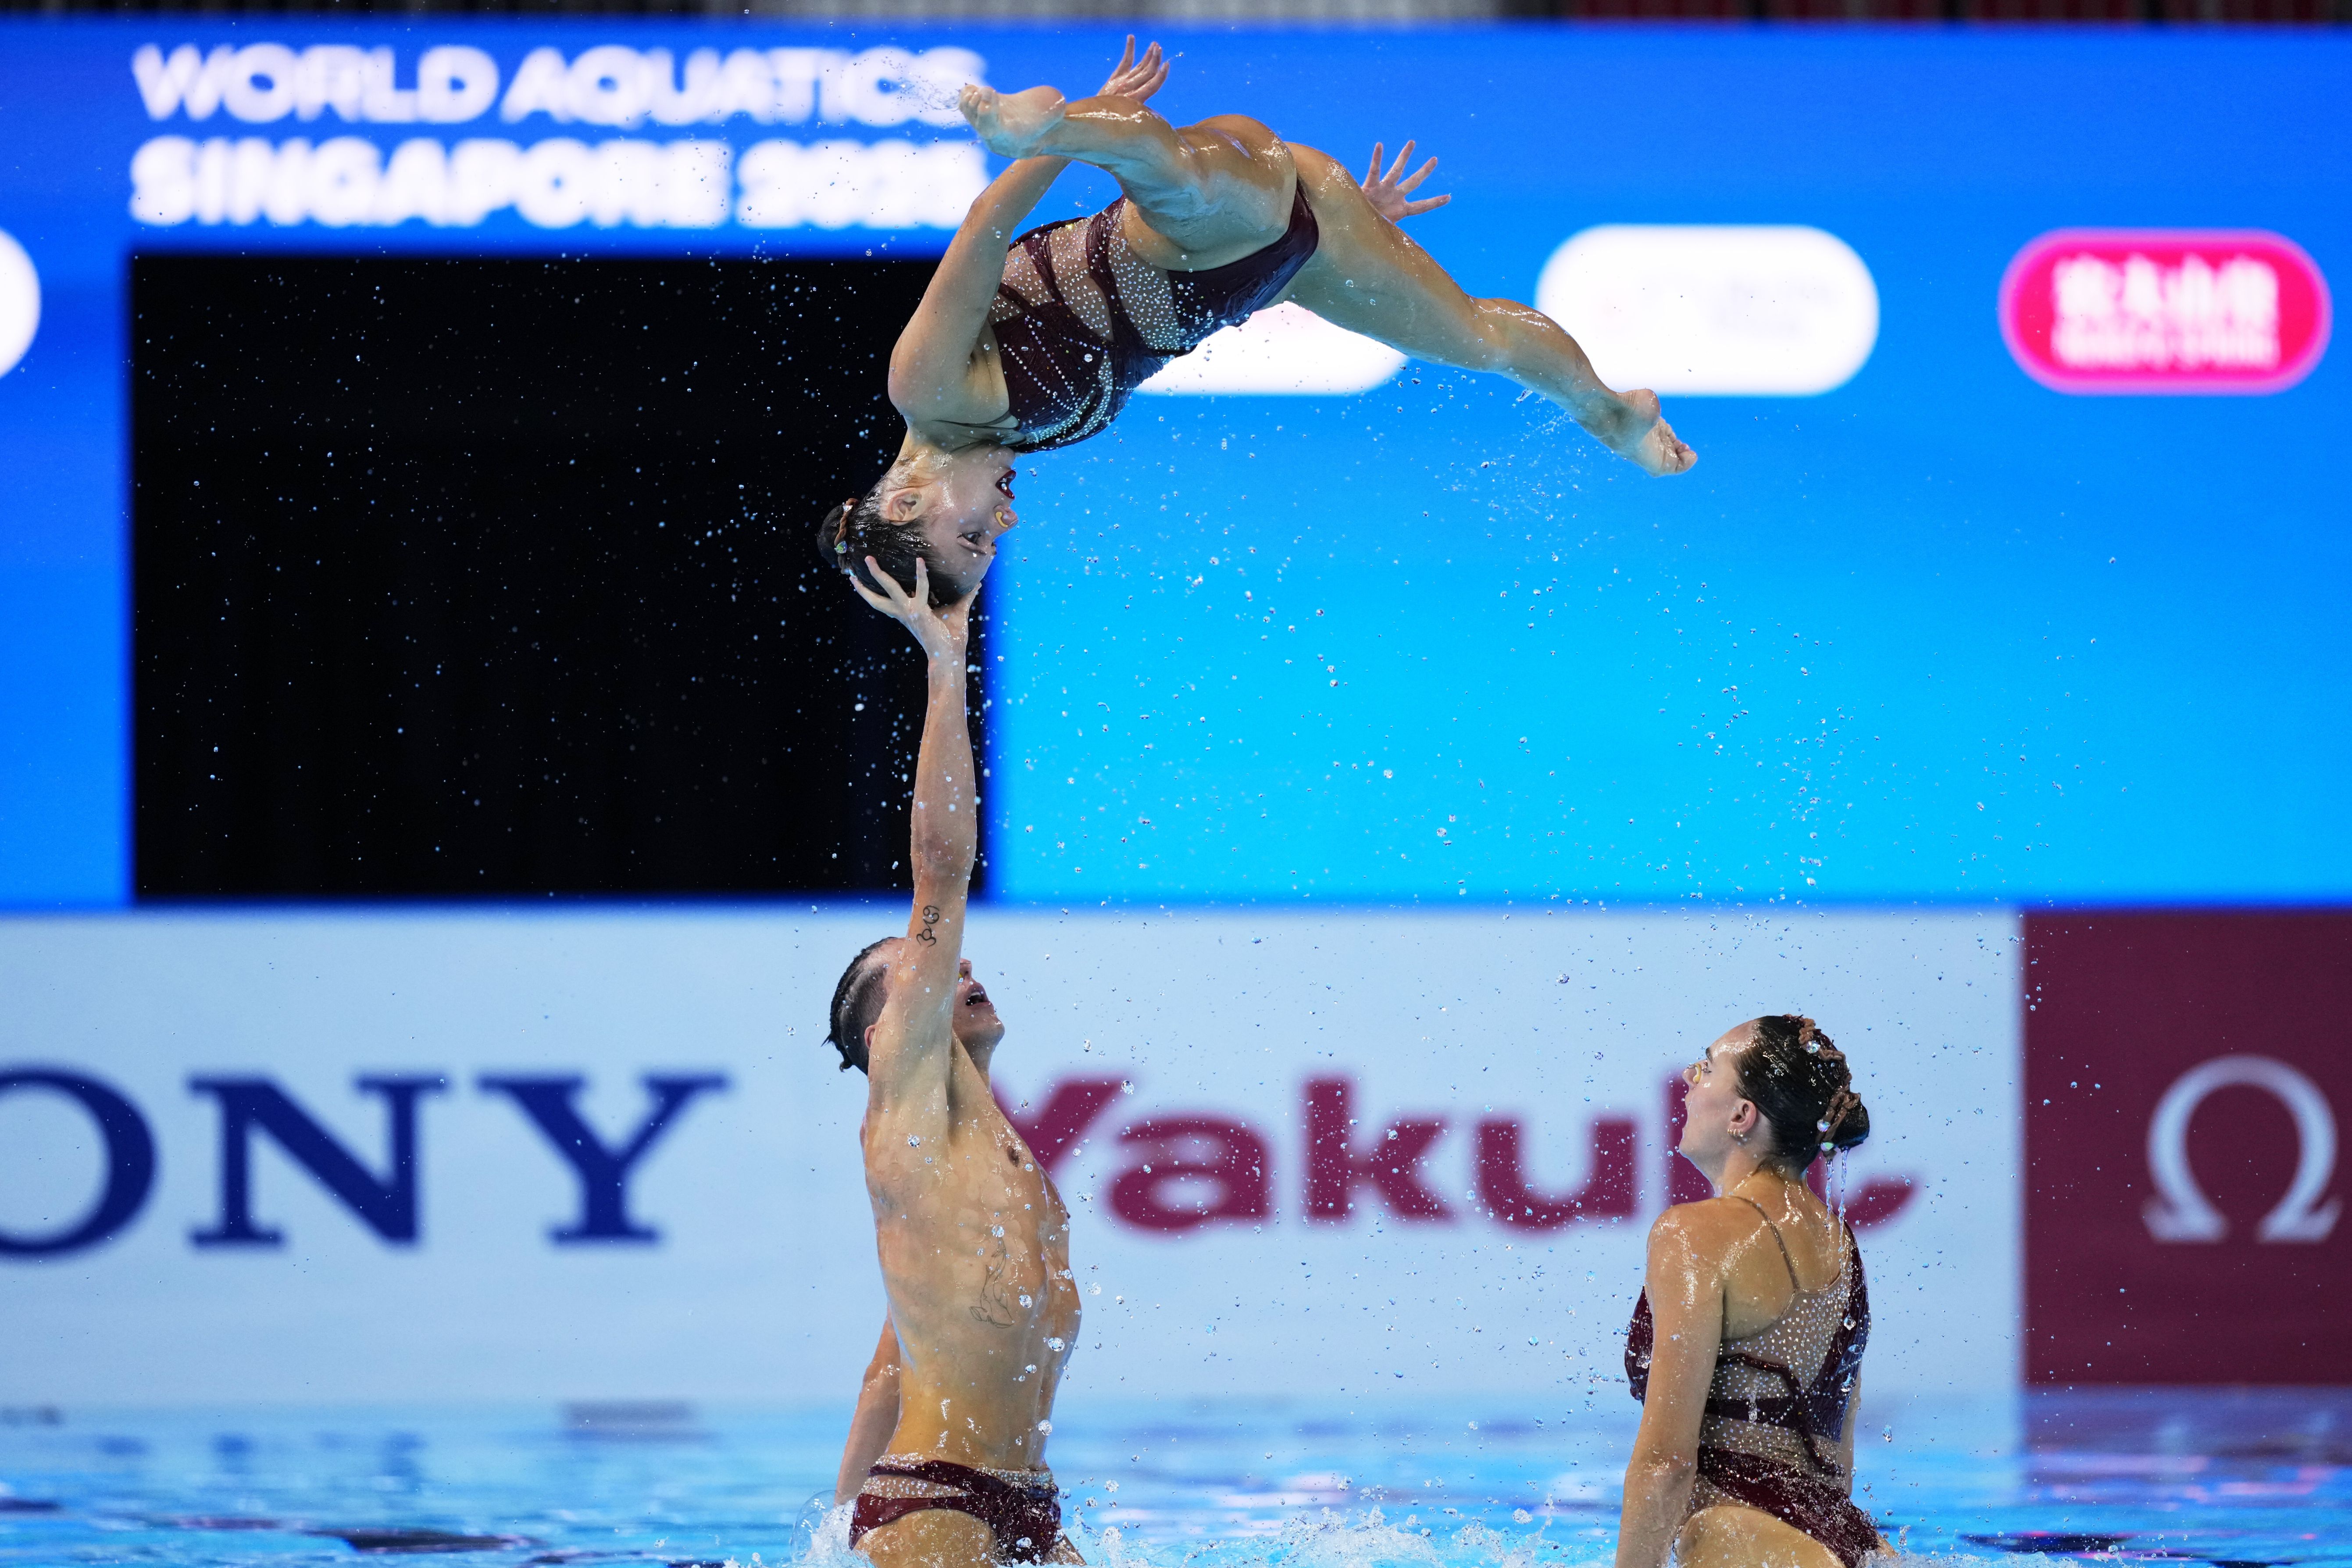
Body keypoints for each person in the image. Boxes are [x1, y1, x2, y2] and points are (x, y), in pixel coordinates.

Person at [815, 39, 1693, 609]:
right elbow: (1168, 327)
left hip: (1186, 218)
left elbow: (984, 230)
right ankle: (1610, 411)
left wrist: (1050, 142)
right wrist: (1340, 251)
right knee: (1479, 342)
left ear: (907, 500)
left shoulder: (925, 385)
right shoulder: (1032, 434)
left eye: (971, 536)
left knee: (1185, 190)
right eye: (990, 548)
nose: (1000, 529)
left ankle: (1056, 123)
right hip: (1288, 258)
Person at [822, 545, 1081, 1568]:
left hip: (1022, 1505)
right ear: (885, 1035)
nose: (954, 964)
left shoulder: (973, 1151)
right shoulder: (903, 1096)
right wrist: (943, 666)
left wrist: (829, 1532)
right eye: (921, 971)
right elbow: (941, 867)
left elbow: (892, 1364)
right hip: (939, 1498)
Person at [1619, 1015, 1882, 1568]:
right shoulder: (1839, 1243)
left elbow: (1666, 1463)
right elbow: (1834, 1467)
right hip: (1850, 1543)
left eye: (1707, 1068)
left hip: (1736, 1540)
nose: (1688, 1078)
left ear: (1742, 1115)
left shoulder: (1692, 1233)